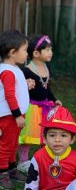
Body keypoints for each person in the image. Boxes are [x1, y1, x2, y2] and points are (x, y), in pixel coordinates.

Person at [23, 105, 76, 190]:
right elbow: (30, 185)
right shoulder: (38, 158)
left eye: (63, 135)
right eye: (52, 135)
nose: (57, 140)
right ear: (45, 139)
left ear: (72, 139)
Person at [18, 35, 62, 169]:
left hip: (45, 107)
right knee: (28, 136)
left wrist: (54, 99)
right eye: (47, 50)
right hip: (32, 108)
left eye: (51, 49)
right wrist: (25, 85)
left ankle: (44, 158)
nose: (51, 52)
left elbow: (46, 88)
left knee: (45, 134)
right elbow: (19, 89)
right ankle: (23, 161)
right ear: (36, 53)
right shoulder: (26, 70)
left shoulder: (45, 68)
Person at [0, 29, 30, 190]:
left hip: (16, 115)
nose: (27, 54)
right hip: (10, 116)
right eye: (25, 50)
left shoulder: (13, 69)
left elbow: (15, 89)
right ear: (12, 52)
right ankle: (2, 174)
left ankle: (11, 169)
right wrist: (18, 115)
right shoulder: (7, 72)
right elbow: (10, 96)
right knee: (6, 145)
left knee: (12, 144)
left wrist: (26, 84)